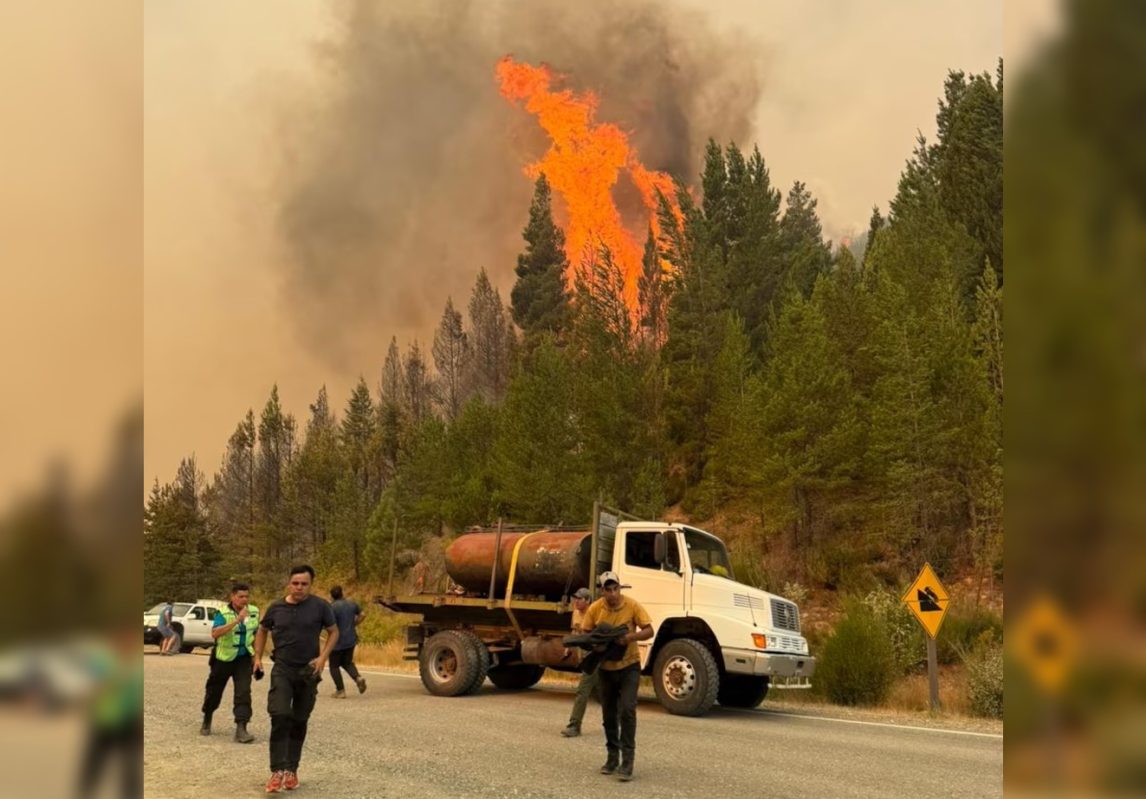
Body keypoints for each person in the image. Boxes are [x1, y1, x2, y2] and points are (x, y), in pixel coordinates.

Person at [254, 565, 338, 794]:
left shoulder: (320, 606)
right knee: (280, 715)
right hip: (282, 668)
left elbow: (334, 631)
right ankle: (276, 771)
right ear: (289, 583)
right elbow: (262, 630)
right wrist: (257, 658)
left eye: (304, 584)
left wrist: (323, 658)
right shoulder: (276, 607)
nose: (299, 587)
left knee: (300, 719)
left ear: (310, 585)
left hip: (308, 672)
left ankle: (292, 769)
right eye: (296, 583)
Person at [580, 571, 654, 782]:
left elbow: (649, 630)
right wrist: (597, 644)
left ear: (620, 588)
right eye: (608, 589)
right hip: (606, 668)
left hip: (629, 666)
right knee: (608, 715)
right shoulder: (595, 609)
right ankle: (612, 757)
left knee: (628, 710)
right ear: (602, 591)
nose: (612, 593)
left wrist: (629, 637)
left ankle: (628, 761)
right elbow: (586, 633)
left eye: (616, 589)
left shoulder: (632, 605)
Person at [200, 582, 259, 743]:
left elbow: (256, 634)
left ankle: (241, 728)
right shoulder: (222, 612)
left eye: (247, 596)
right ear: (232, 597)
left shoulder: (254, 611)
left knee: (243, 692)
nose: (244, 600)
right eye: (241, 596)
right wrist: (237, 620)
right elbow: (215, 633)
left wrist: (257, 657)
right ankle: (207, 716)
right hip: (223, 659)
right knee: (214, 690)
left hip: (243, 658)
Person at [560, 587, 599, 737]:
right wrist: (569, 647)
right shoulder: (576, 613)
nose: (576, 601)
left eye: (580, 598)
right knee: (605, 692)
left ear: (588, 601)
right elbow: (575, 632)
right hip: (585, 657)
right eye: (575, 598)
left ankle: (574, 725)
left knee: (582, 691)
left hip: (595, 657)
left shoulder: (595, 614)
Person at [328, 585, 367, 698]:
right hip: (351, 639)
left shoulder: (332, 607)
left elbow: (330, 623)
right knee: (347, 662)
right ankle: (358, 678)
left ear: (332, 596)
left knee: (334, 666)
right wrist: (355, 623)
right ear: (342, 593)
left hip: (336, 641)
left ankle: (340, 691)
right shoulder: (352, 604)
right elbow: (363, 614)